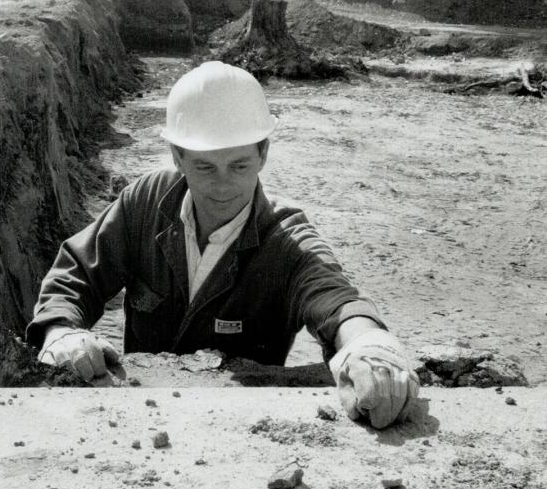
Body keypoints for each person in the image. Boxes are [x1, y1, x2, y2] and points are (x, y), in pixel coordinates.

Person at [27, 61, 419, 428]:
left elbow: (333, 296)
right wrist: (60, 331)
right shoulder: (146, 202)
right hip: (143, 419)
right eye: (205, 167)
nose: (223, 185)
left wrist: (367, 343)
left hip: (240, 429)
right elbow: (79, 272)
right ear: (177, 156)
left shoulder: (284, 240)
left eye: (239, 165)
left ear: (263, 153)